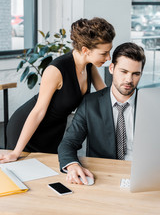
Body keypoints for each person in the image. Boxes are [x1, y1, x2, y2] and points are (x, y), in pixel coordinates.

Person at [0, 17, 115, 163]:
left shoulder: (89, 66)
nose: (108, 57)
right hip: (28, 129)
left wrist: (119, 75)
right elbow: (38, 111)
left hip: (54, 130)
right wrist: (16, 151)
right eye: (104, 53)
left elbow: (105, 96)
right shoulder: (56, 69)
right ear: (86, 50)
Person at [58, 42, 146, 185]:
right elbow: (68, 143)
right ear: (112, 68)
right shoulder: (90, 104)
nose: (129, 80)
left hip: (142, 175)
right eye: (123, 72)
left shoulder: (151, 104)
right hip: (102, 175)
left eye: (136, 74)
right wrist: (72, 165)